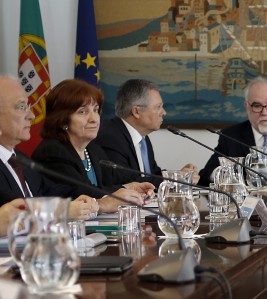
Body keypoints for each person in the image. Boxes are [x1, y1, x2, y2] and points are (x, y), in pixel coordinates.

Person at [31, 79, 153, 213]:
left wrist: (131, 187)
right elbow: (81, 192)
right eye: (82, 112)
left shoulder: (93, 149)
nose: (94, 119)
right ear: (62, 119)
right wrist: (123, 191)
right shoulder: (53, 151)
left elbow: (108, 183)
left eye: (95, 110)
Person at [0, 74, 99, 221]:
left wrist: (91, 201)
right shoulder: (51, 151)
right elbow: (11, 213)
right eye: (21, 107)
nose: (31, 115)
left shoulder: (20, 159)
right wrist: (61, 211)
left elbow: (53, 191)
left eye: (28, 107)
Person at [94, 79, 196, 184]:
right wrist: (176, 179)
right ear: (136, 112)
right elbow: (125, 181)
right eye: (158, 107)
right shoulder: (111, 137)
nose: (164, 112)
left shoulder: (143, 138)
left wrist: (179, 175)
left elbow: (152, 175)